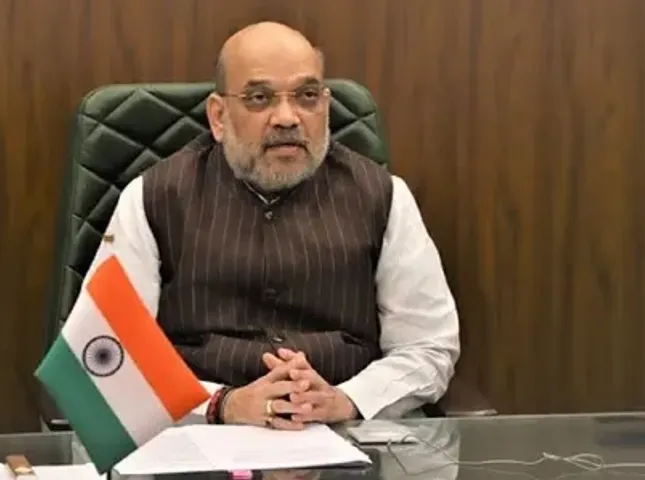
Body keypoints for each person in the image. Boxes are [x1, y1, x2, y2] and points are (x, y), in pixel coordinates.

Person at [105, 21, 460, 429]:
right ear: (218, 117)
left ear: (325, 106)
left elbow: (429, 347)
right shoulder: (152, 197)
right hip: (198, 441)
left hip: (346, 438)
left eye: (307, 96)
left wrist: (346, 399)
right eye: (259, 98)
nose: (287, 118)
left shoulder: (383, 197)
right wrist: (222, 404)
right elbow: (109, 355)